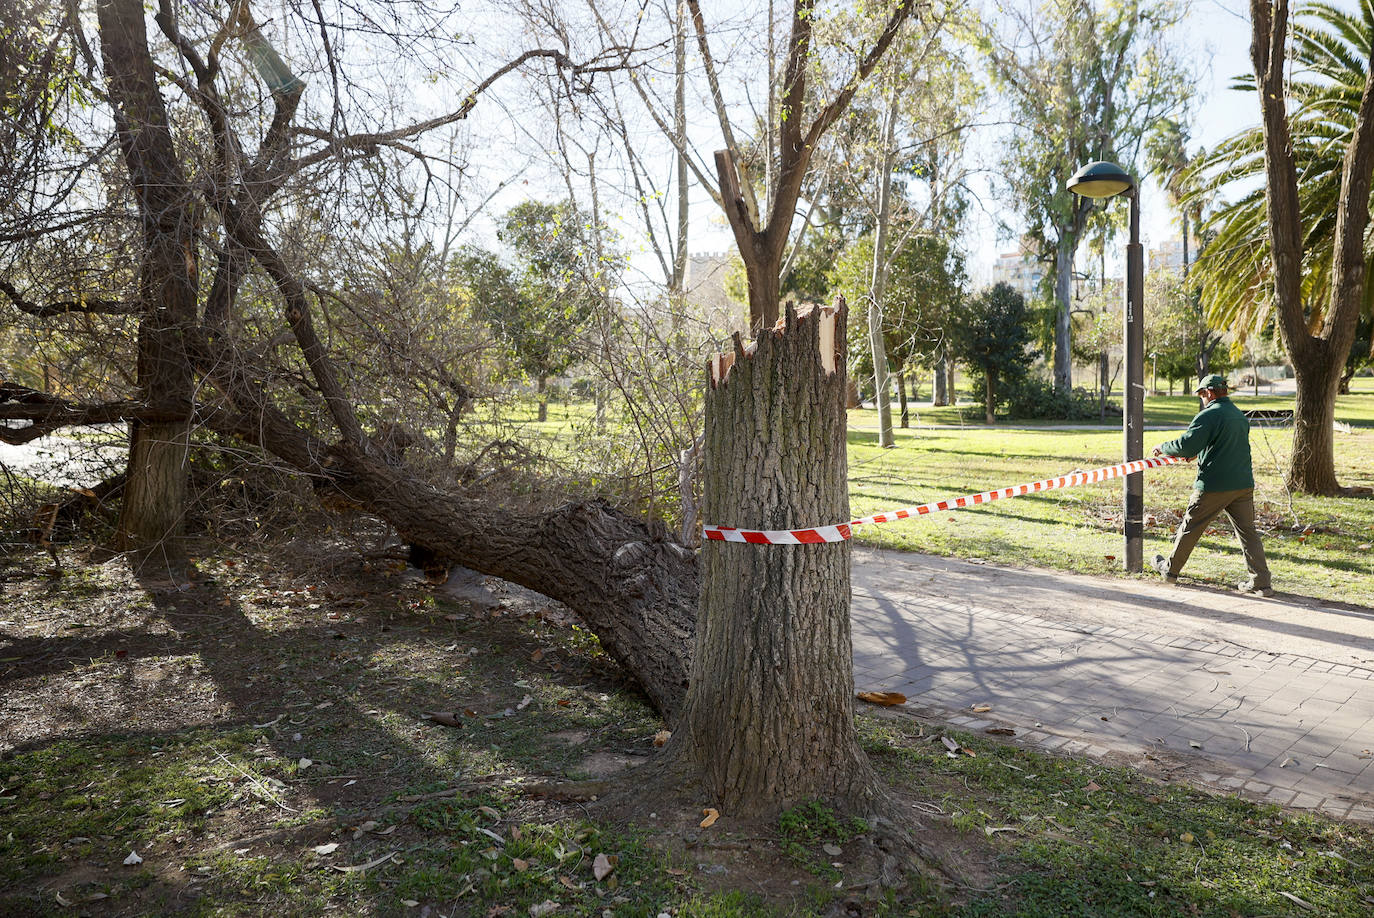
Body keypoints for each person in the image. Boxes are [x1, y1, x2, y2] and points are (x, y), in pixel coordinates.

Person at [1151, 374, 1273, 596]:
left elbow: (1186, 445)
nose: (1201, 399)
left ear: (1208, 392)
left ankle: (1170, 571)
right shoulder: (1238, 415)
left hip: (1215, 485)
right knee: (1248, 532)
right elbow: (1221, 445)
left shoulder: (1208, 415)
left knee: (1190, 527)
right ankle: (1261, 583)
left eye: (1201, 395)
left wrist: (1163, 446)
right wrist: (1201, 452)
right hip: (1243, 484)